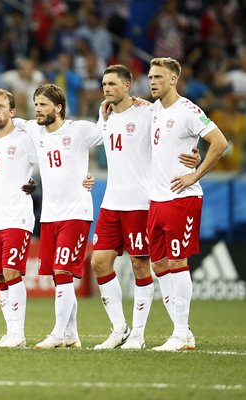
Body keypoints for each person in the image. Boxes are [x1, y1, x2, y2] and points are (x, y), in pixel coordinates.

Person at [91, 65, 202, 350]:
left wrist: (193, 154)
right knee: (99, 262)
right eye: (104, 84)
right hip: (110, 202)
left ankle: (143, 335)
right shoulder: (103, 114)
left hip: (140, 202)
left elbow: (172, 134)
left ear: (127, 86)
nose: (106, 89)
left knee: (143, 265)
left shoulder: (148, 112)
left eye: (112, 84)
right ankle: (120, 329)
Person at [146, 58, 227, 351]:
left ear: (173, 80)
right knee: (158, 264)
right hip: (156, 199)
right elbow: (129, 105)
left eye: (158, 77)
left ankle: (180, 333)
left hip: (182, 197)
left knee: (178, 261)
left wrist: (196, 172)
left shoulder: (189, 111)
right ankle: (184, 332)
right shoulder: (153, 109)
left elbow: (219, 142)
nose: (152, 81)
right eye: (150, 76)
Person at [26, 84, 101, 349]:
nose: (38, 109)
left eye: (43, 104)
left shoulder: (78, 130)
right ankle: (71, 335)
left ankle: (57, 333)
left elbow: (114, 140)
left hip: (76, 212)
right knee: (59, 277)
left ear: (58, 108)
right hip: (50, 214)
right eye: (36, 104)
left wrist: (95, 175)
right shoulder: (34, 130)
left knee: (62, 269)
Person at [0, 89, 38, 348]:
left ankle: (18, 333)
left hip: (17, 215)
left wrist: (34, 181)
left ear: (12, 111)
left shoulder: (25, 138)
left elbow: (45, 162)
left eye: (1, 106)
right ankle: (9, 331)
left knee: (11, 272)